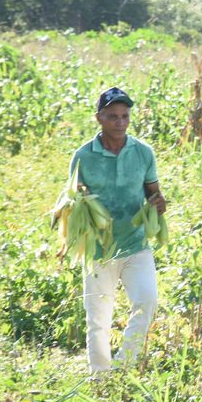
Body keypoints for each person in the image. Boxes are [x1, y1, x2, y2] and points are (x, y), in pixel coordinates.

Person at [70, 87, 166, 373]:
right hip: (98, 249)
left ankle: (124, 367)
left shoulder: (143, 152)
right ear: (99, 118)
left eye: (125, 116)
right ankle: (100, 377)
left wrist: (158, 203)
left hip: (135, 243)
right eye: (113, 117)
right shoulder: (84, 156)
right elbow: (72, 199)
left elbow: (153, 192)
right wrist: (79, 202)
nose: (120, 122)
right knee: (98, 317)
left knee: (147, 301)